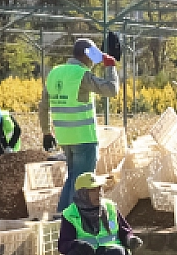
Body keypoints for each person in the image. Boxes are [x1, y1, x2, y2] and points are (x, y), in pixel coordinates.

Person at [39, 37, 119, 212]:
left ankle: (61, 217)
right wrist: (110, 66)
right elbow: (111, 89)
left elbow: (43, 105)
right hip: (84, 137)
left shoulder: (55, 73)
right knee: (82, 184)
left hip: (64, 137)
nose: (93, 61)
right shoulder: (81, 75)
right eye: (92, 56)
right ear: (86, 55)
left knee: (73, 179)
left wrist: (46, 132)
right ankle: (72, 222)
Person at [57, 172, 143, 255]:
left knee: (116, 253)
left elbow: (125, 231)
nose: (98, 193)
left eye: (99, 189)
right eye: (93, 190)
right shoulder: (70, 214)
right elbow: (63, 245)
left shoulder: (110, 207)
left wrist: (130, 239)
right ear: (82, 194)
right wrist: (77, 245)